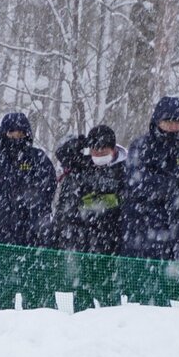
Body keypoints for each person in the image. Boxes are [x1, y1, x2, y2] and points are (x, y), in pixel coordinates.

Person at [0, 112, 57, 309]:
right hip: (3, 236)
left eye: (20, 132)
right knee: (5, 291)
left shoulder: (38, 158)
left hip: (32, 238)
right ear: (5, 133)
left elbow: (49, 188)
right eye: (12, 132)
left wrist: (38, 216)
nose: (16, 136)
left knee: (35, 294)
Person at [120, 96, 179, 305]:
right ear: (157, 121)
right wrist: (170, 187)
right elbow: (136, 181)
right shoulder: (141, 146)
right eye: (168, 121)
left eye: (178, 122)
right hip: (145, 225)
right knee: (147, 294)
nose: (173, 126)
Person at [53, 125, 126, 310]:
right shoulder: (81, 167)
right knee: (82, 309)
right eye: (95, 149)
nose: (100, 153)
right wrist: (82, 141)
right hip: (83, 247)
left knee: (111, 306)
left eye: (104, 149)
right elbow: (62, 153)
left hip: (112, 250)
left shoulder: (124, 169)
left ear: (114, 149)